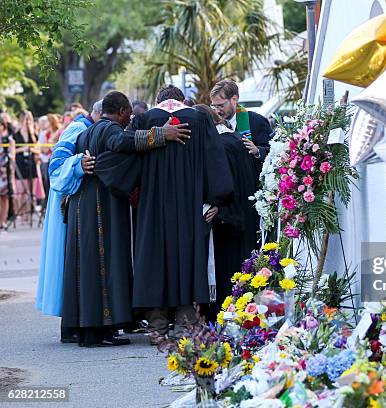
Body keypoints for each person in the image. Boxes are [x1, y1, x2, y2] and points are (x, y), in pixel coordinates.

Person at [62, 91, 191, 347]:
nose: (129, 120)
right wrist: (160, 135)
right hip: (99, 204)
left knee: (86, 265)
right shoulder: (109, 128)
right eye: (129, 115)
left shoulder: (89, 130)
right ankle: (98, 332)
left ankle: (90, 330)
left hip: (83, 203)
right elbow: (123, 142)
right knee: (103, 262)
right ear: (122, 111)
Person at [122, 84, 233, 341]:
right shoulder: (198, 118)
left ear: (158, 100)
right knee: (188, 260)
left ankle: (158, 327)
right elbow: (215, 162)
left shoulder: (144, 120)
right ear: (181, 99)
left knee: (154, 260)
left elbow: (124, 154)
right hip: (190, 205)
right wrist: (217, 199)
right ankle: (187, 325)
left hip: (152, 205)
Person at [194, 105, 259, 322]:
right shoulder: (236, 140)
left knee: (228, 276)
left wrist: (218, 207)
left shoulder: (220, 146)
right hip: (245, 217)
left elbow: (227, 187)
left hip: (229, 223)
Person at [37, 114, 96, 340]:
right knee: (67, 263)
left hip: (70, 204)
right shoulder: (78, 128)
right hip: (66, 204)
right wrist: (79, 164)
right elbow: (56, 168)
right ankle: (70, 326)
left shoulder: (82, 126)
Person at [210, 79, 274, 176]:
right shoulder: (213, 124)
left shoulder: (256, 121)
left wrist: (257, 151)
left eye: (221, 106)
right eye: (214, 106)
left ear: (234, 99)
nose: (217, 111)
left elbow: (273, 152)